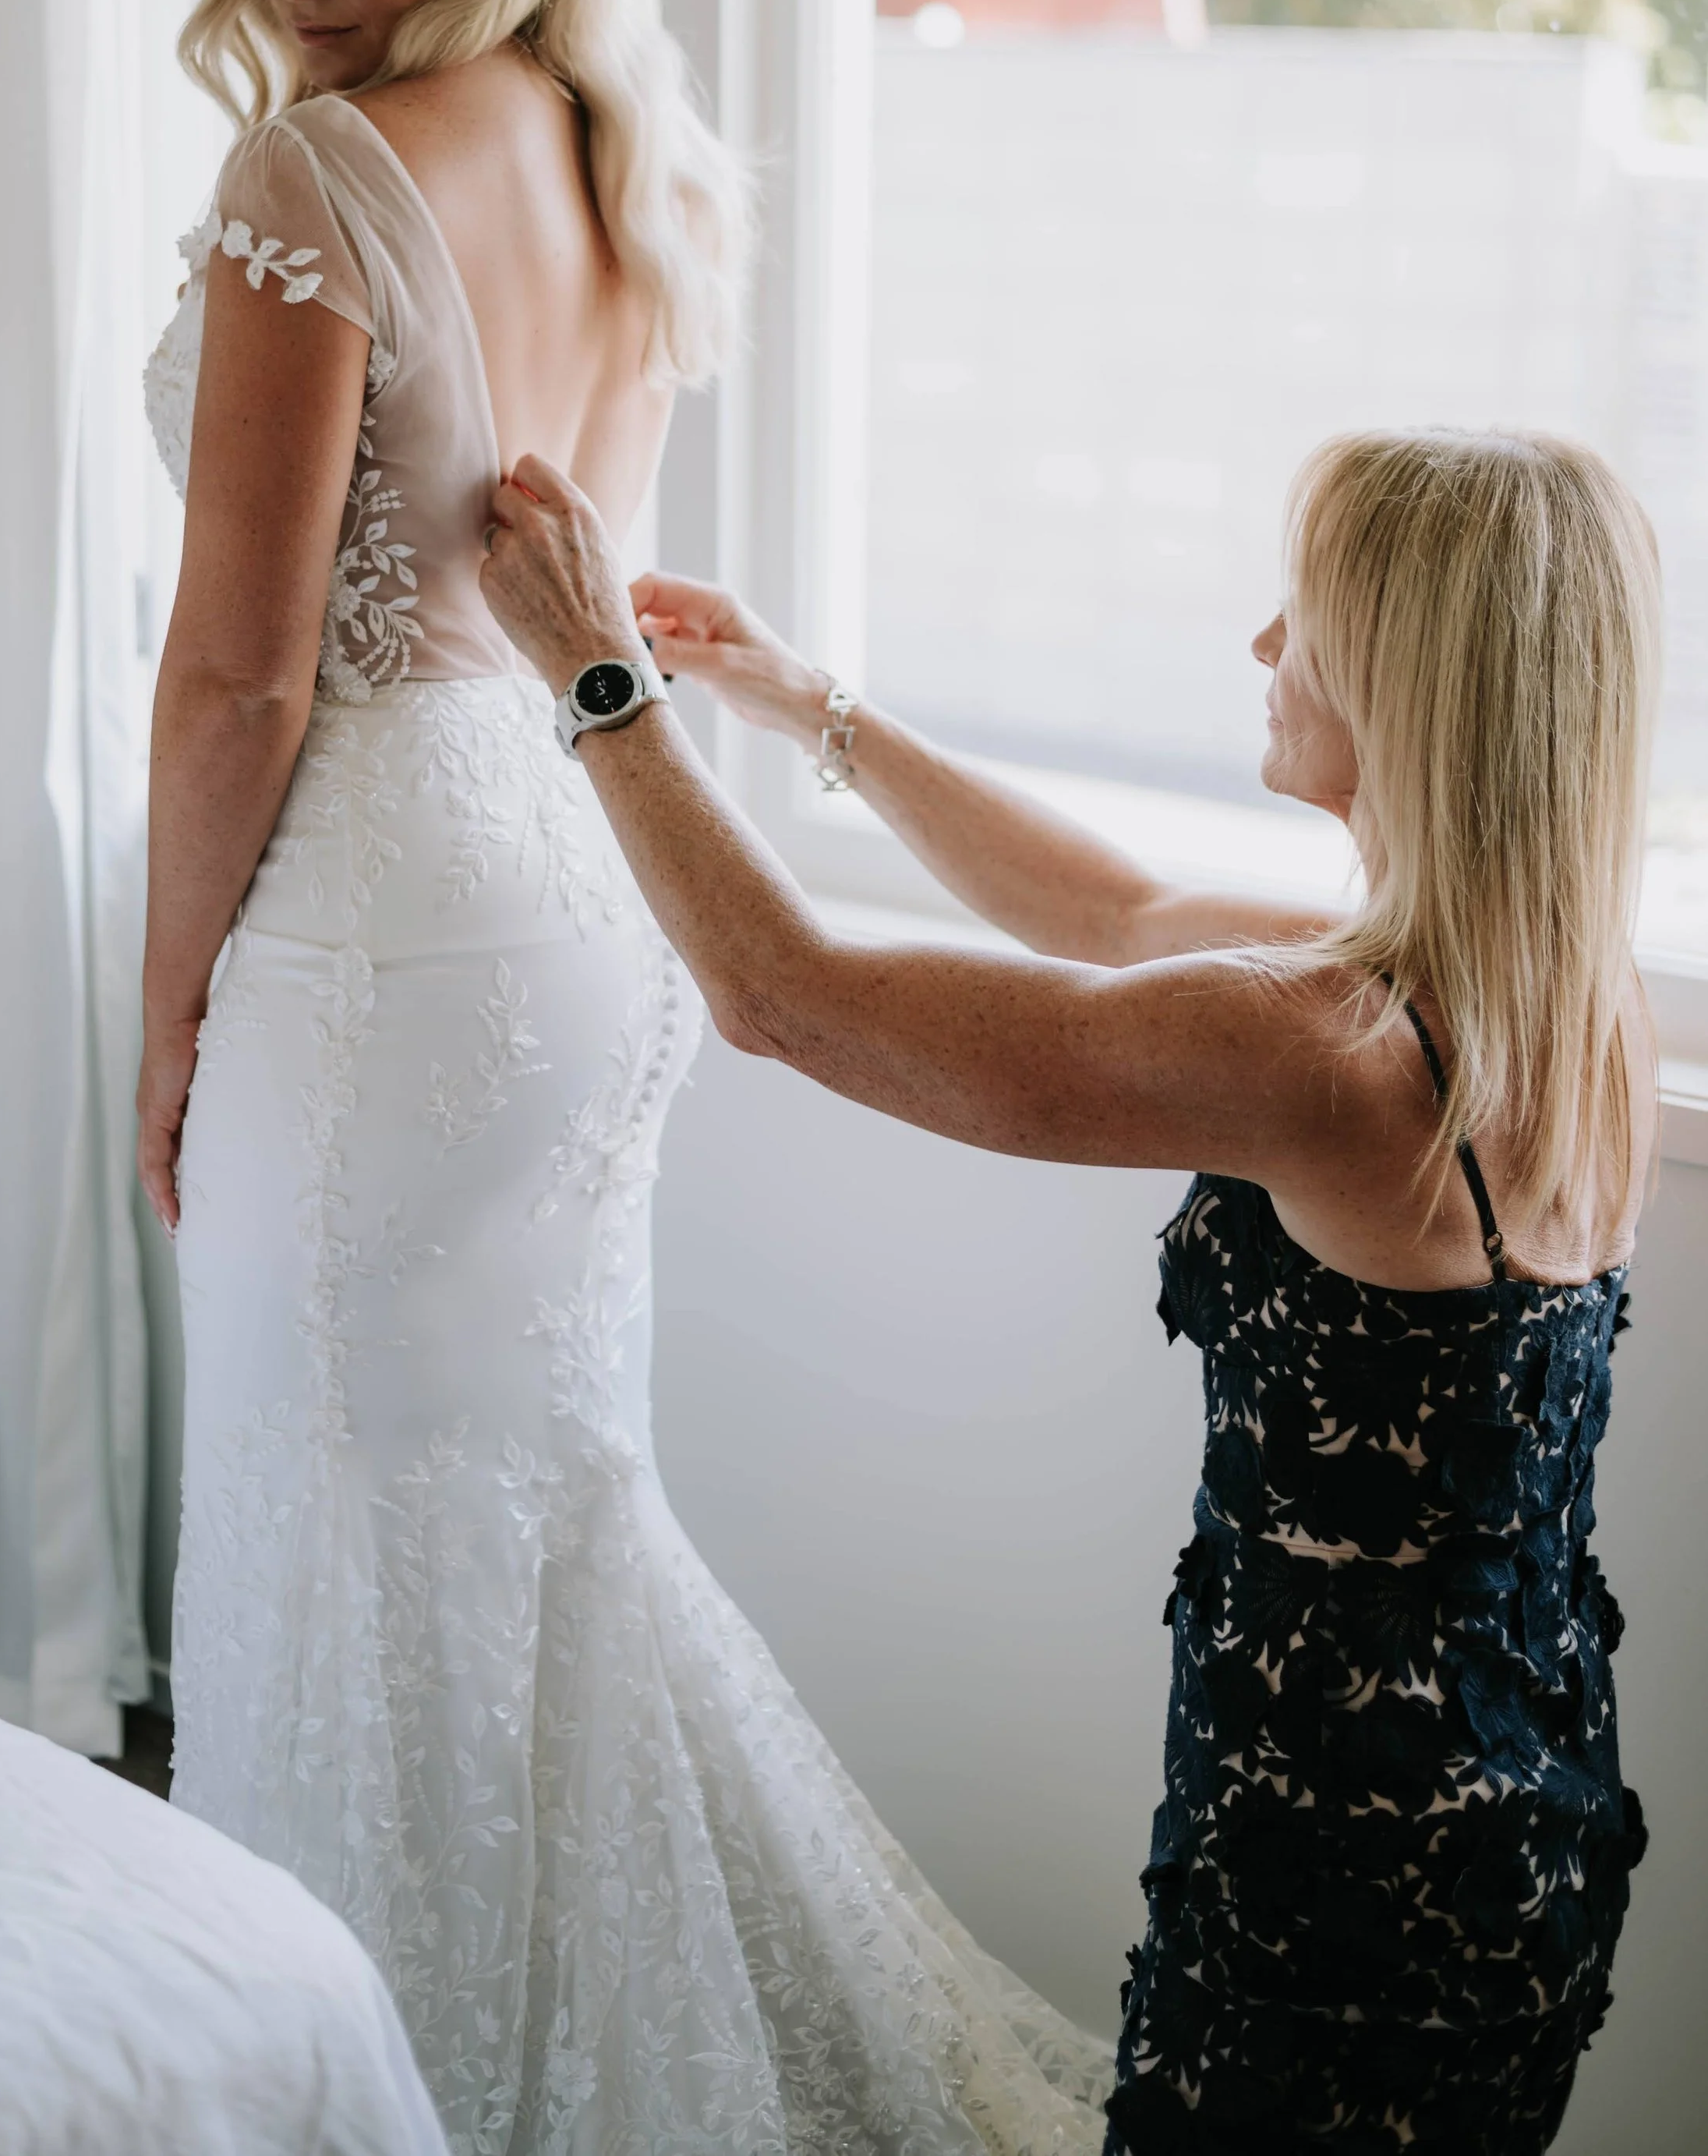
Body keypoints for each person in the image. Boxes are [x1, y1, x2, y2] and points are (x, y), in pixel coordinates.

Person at [138, 0, 1113, 2154]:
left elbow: (239, 681)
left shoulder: (316, 177)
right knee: (546, 1513)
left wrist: (164, 1024)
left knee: (342, 1528)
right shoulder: (626, 146)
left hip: (370, 939)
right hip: (585, 890)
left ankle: (374, 2089)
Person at [479, 425, 1657, 2156]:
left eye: (1304, 615)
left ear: (1408, 677)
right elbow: (1110, 910)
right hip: (1522, 1819)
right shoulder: (1557, 1000)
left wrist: (594, 674)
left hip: (1342, 1879)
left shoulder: (1324, 1054)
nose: (1262, 648)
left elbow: (785, 994)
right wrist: (801, 698)